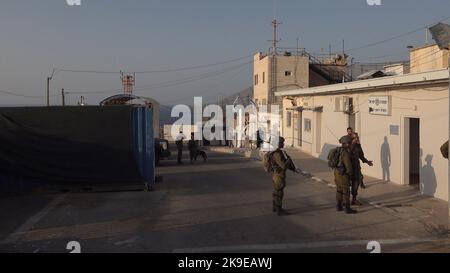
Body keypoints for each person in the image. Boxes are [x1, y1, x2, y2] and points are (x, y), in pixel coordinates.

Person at [271, 137, 298, 216]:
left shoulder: (279, 152)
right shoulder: (277, 154)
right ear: (278, 144)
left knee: (277, 191)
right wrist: (288, 161)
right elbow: (283, 166)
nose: (283, 144)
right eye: (282, 143)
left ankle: (275, 207)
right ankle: (279, 209)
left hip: (278, 175)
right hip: (278, 175)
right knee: (279, 192)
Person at [334, 136, 357, 214]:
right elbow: (349, 166)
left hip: (336, 173)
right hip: (343, 174)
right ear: (347, 144)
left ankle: (338, 206)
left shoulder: (338, 150)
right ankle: (347, 208)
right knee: (346, 191)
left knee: (339, 190)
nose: (350, 144)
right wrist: (350, 174)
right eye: (350, 143)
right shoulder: (345, 153)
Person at [350, 133, 373, 205]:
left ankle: (354, 199)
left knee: (356, 183)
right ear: (352, 139)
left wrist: (367, 161)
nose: (357, 139)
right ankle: (344, 201)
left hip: (356, 168)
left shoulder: (358, 146)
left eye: (357, 137)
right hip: (348, 168)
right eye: (355, 138)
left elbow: (361, 156)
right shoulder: (347, 146)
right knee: (346, 185)